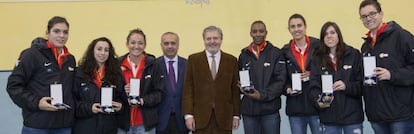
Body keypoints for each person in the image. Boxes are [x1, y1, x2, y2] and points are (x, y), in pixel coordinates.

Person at [7, 16, 75, 134]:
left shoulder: (70, 59)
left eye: (65, 32)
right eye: (56, 31)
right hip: (37, 126)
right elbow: (13, 86)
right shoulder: (31, 55)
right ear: (47, 34)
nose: (61, 35)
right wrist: (37, 102)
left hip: (64, 126)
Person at [359, 0, 414, 133]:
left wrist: (392, 75)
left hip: (400, 116)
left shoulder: (401, 36)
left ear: (381, 14)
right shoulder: (365, 47)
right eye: (364, 16)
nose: (368, 18)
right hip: (376, 117)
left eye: (372, 14)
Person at [182, 25, 241, 134]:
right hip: (200, 119)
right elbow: (188, 89)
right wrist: (188, 115)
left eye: (215, 38)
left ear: (221, 40)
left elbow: (235, 91)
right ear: (204, 40)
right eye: (208, 39)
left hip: (224, 118)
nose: (212, 42)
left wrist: (236, 115)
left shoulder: (231, 60)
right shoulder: (193, 60)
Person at [309, 21, 364, 134]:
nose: (329, 36)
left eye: (332, 32)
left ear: (338, 35)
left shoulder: (353, 54)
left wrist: (346, 86)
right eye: (325, 34)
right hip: (329, 118)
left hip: (352, 117)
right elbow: (313, 86)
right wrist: (318, 101)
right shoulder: (317, 59)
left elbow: (362, 85)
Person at [238, 20, 287, 134]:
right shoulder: (243, 55)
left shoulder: (276, 53)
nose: (258, 34)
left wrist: (261, 95)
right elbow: (239, 80)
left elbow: (280, 81)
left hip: (270, 111)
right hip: (249, 112)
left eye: (261, 31)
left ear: (266, 33)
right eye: (255, 31)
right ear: (250, 33)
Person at [73, 37, 129, 134]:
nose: (102, 53)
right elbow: (73, 102)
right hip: (85, 127)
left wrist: (120, 106)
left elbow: (122, 99)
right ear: (92, 51)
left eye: (106, 50)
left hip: (108, 127)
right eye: (99, 49)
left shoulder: (116, 74)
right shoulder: (79, 73)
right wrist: (90, 108)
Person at [118, 28, 165, 134]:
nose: (136, 46)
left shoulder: (153, 64)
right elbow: (113, 92)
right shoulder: (117, 64)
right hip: (123, 124)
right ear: (127, 44)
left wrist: (144, 100)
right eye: (133, 42)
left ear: (145, 45)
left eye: (140, 43)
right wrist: (123, 91)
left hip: (145, 124)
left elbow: (159, 93)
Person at [282, 14, 321, 134]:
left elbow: (328, 70)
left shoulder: (319, 46)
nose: (296, 29)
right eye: (292, 26)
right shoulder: (284, 51)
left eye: (299, 25)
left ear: (305, 27)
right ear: (289, 29)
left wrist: (312, 74)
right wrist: (287, 88)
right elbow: (281, 77)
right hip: (296, 108)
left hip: (317, 106)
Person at [156, 32, 188, 134]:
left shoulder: (187, 65)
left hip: (181, 121)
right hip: (160, 121)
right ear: (161, 45)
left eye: (173, 43)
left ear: (178, 45)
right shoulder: (154, 65)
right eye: (166, 43)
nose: (170, 46)